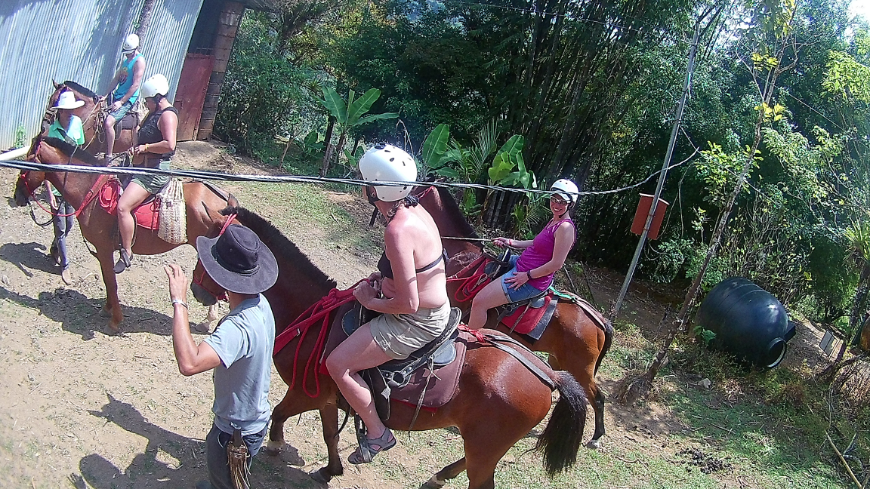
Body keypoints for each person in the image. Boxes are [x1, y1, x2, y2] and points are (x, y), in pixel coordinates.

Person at [325, 143, 451, 464]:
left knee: (338, 365)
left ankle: (378, 433)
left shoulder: (396, 230)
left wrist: (372, 300)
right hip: (432, 305)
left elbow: (409, 304)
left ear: (374, 190)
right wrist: (386, 280)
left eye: (366, 182)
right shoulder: (415, 209)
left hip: (417, 319)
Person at [163, 224, 278, 489]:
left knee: (224, 481)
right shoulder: (261, 304)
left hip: (232, 434)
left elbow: (189, 362)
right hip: (254, 422)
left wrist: (179, 302)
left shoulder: (236, 328)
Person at [466, 178, 579, 330]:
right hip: (521, 263)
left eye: (562, 201)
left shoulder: (565, 228)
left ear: (570, 204)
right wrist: (511, 242)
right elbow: (537, 243)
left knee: (479, 302)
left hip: (531, 278)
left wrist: (527, 276)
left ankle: (468, 338)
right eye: (554, 199)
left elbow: (556, 264)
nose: (556, 204)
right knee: (487, 262)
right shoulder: (554, 220)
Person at [114, 73, 177, 273]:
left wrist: (145, 148)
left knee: (123, 206)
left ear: (158, 98)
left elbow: (169, 144)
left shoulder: (167, 115)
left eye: (148, 100)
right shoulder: (153, 113)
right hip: (142, 166)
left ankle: (126, 251)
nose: (146, 103)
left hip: (155, 171)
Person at [47, 90, 86, 284]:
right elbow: (45, 167)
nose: (71, 113)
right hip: (56, 187)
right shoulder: (52, 131)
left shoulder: (77, 124)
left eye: (73, 110)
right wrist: (49, 193)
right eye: (67, 110)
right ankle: (65, 265)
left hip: (71, 186)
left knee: (69, 224)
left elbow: (80, 151)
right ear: (60, 111)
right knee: (61, 227)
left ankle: (55, 247)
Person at [103, 33, 145, 163]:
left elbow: (135, 84)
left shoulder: (139, 61)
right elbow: (116, 79)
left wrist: (121, 102)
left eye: (129, 52)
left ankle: (108, 156)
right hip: (118, 95)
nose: (126, 54)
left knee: (109, 122)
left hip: (128, 99)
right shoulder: (126, 61)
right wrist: (105, 94)